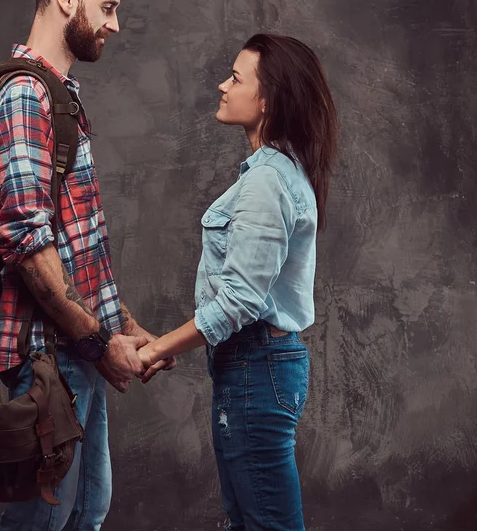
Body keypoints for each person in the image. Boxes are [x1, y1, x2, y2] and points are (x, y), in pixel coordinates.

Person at [0, 0, 174, 531]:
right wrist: (97, 343)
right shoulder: (23, 97)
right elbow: (30, 250)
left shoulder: (56, 97)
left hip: (72, 356)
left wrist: (127, 329)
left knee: (86, 513)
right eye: (106, 7)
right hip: (43, 360)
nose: (114, 23)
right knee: (42, 523)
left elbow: (77, 248)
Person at [138, 34, 338, 531]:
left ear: (267, 99)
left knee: (265, 524)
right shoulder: (274, 173)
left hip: (257, 370)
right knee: (250, 520)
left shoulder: (269, 180)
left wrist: (156, 349)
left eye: (235, 78)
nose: (222, 86)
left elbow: (239, 302)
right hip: (253, 369)